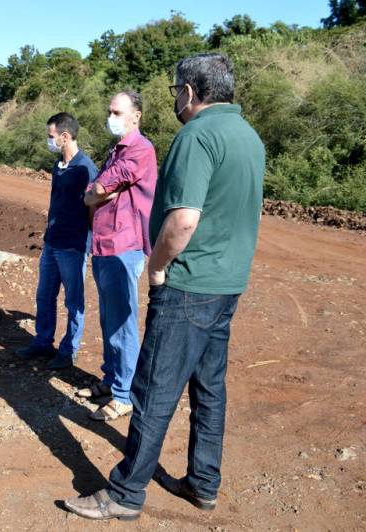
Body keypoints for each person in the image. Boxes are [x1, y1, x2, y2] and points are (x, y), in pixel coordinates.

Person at [63, 52, 265, 521]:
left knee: (153, 389)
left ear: (191, 92)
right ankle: (203, 482)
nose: (176, 99)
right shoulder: (248, 137)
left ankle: (125, 493)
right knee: (209, 389)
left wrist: (157, 267)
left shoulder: (197, 135)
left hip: (189, 285)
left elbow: (183, 220)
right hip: (227, 284)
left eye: (177, 91)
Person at [80, 91, 157, 422]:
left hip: (124, 246)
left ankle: (124, 395)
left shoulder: (140, 149)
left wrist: (95, 193)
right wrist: (95, 193)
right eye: (109, 110)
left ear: (135, 115)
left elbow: (97, 189)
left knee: (123, 323)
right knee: (109, 318)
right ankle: (111, 380)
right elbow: (96, 191)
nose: (110, 116)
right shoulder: (117, 151)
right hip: (104, 244)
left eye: (117, 111)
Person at [16, 112, 98, 370]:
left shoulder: (86, 168)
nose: (48, 140)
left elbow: (94, 209)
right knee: (44, 295)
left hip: (73, 246)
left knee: (73, 301)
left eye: (51, 136)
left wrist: (89, 243)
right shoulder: (58, 166)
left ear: (65, 136)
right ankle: (42, 341)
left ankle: (69, 350)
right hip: (52, 243)